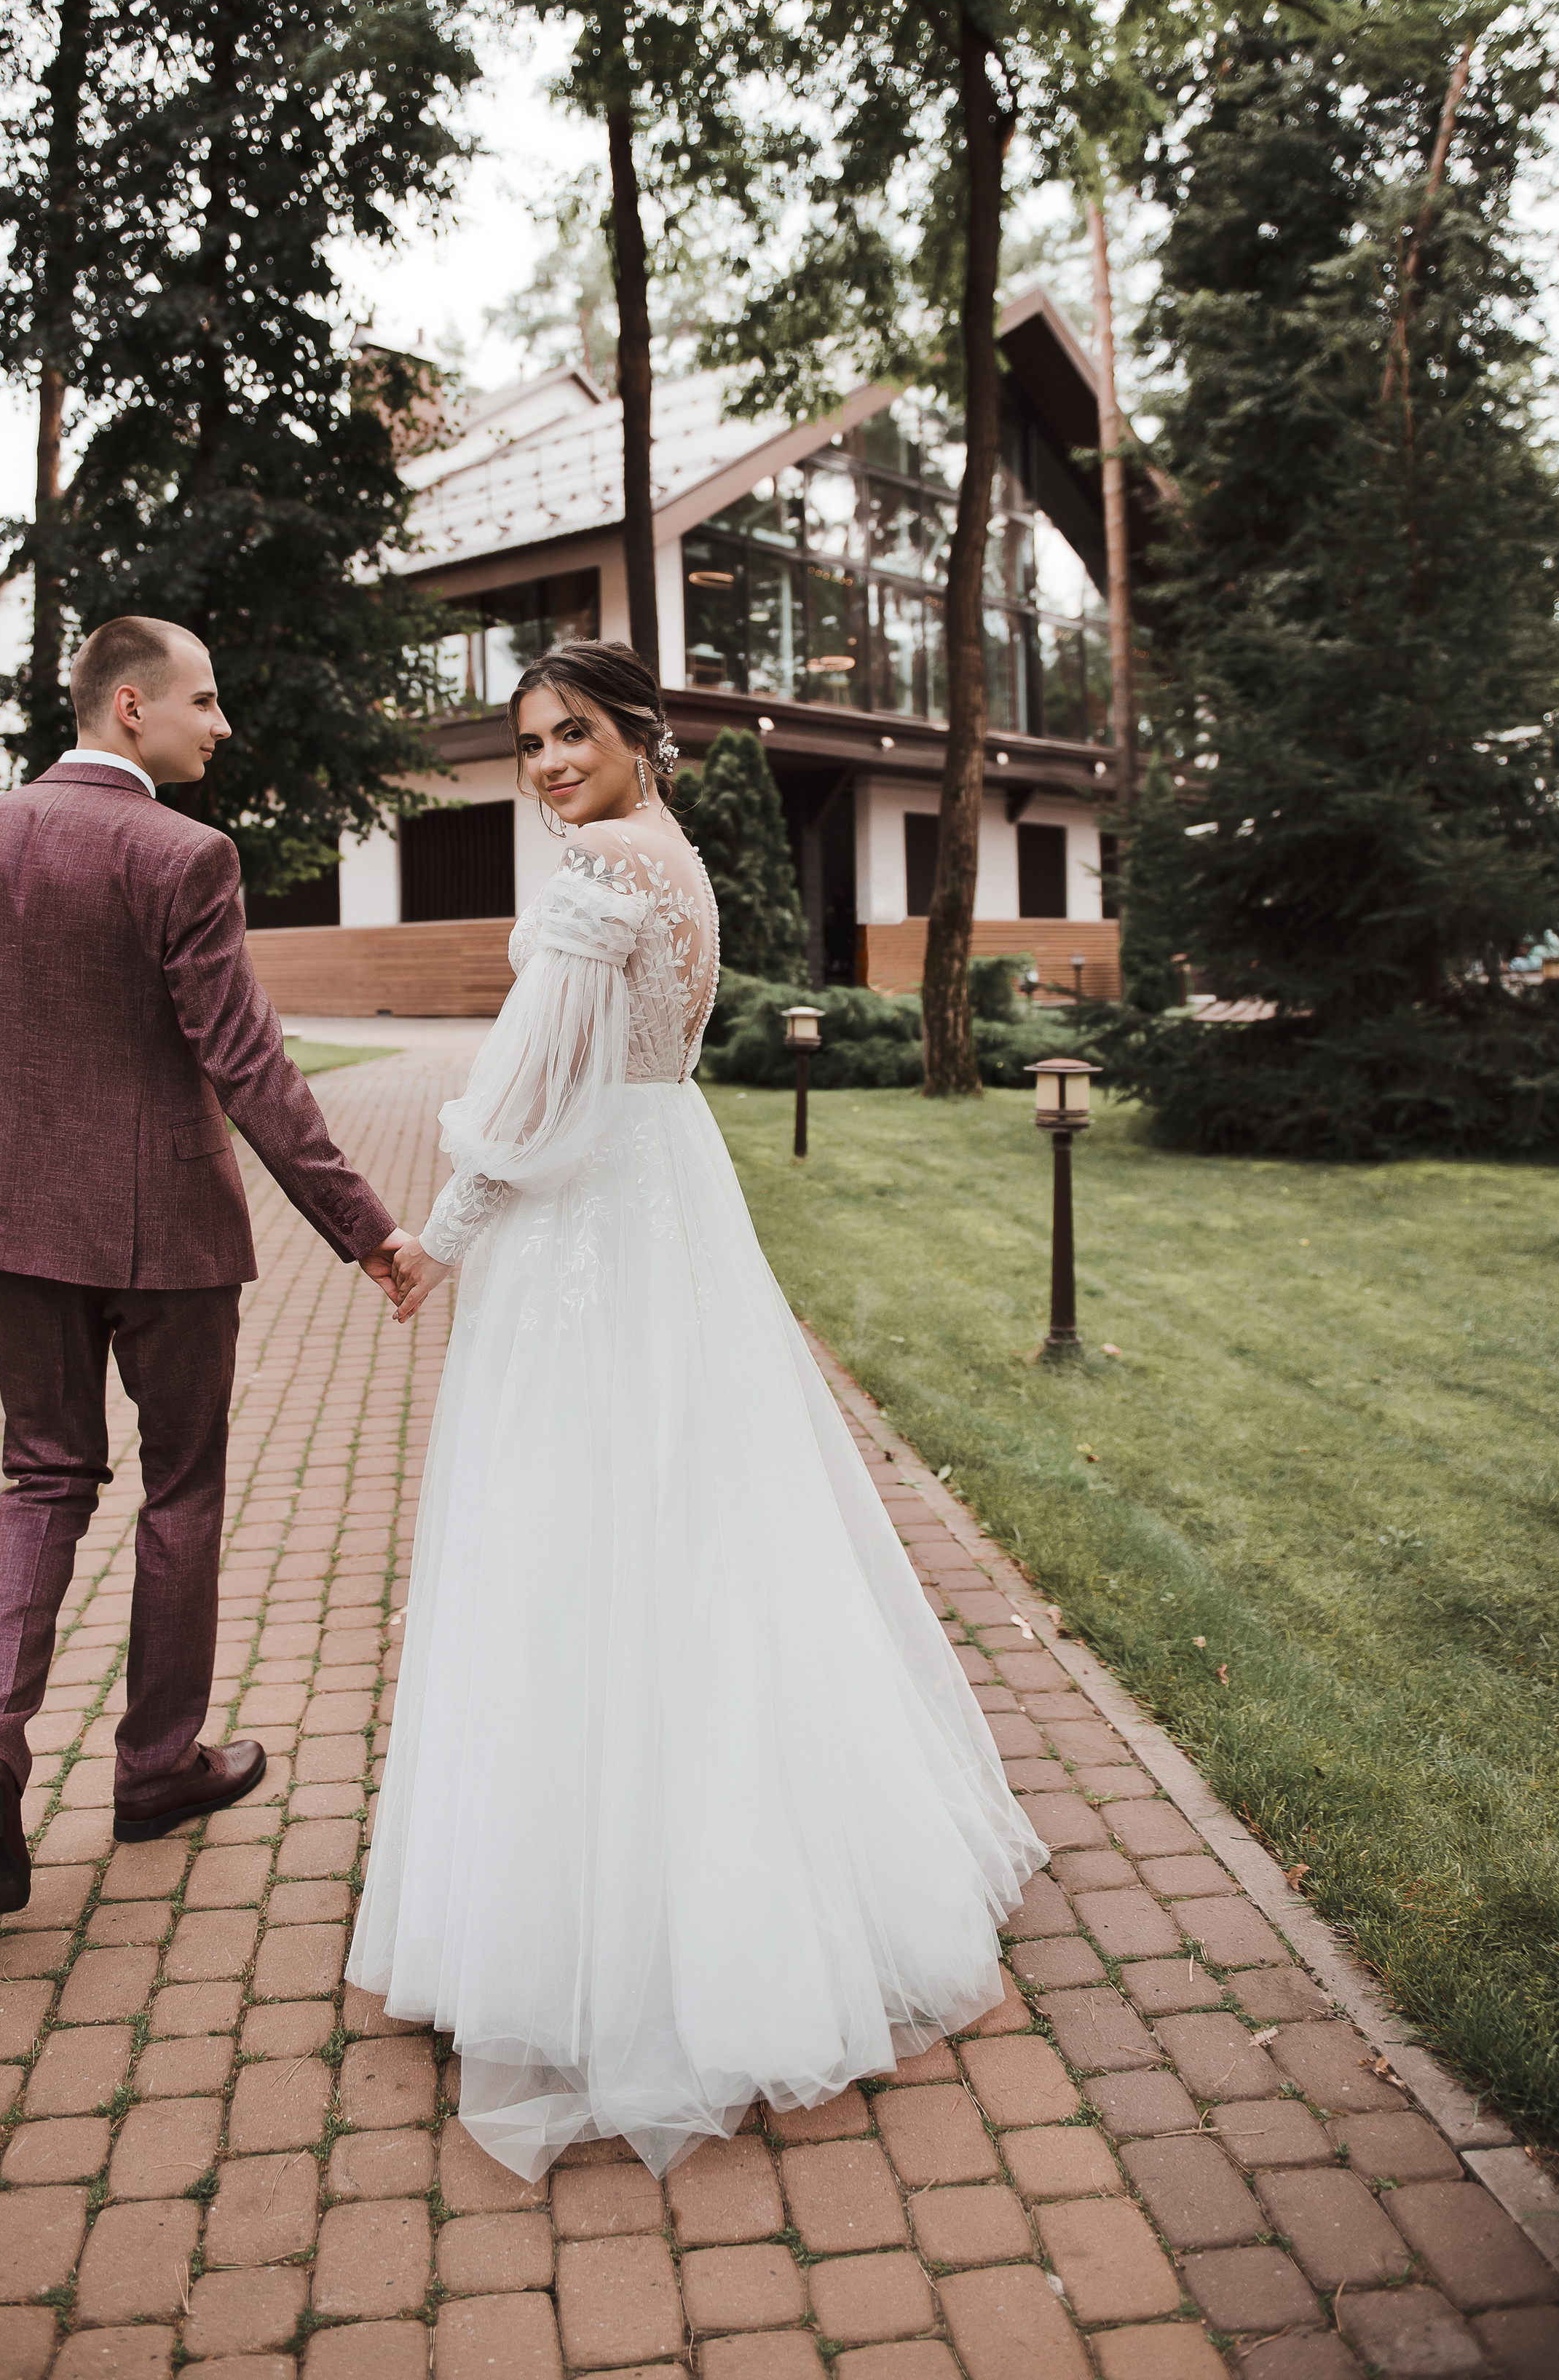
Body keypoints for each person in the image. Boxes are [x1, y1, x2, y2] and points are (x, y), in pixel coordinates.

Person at [355, 641, 1045, 2181]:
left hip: (590, 1234)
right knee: (702, 1535)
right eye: (531, 743)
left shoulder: (605, 864)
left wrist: (437, 1241)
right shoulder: (673, 851)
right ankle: (761, 1884)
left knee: (572, 1542)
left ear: (638, 733)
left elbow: (535, 1091)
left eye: (573, 733)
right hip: (668, 1198)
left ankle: (599, 1943)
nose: (548, 763)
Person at [0, 616, 417, 1914]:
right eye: (204, 699)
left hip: (18, 1228)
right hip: (169, 1234)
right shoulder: (184, 854)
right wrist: (365, 1226)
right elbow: (248, 1063)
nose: (221, 723)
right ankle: (154, 1768)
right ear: (130, 706)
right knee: (181, 1487)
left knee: (42, 1476)